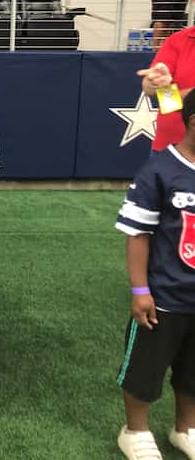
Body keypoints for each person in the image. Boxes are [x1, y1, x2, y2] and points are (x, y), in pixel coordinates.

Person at [114, 89, 195, 460]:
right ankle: (136, 430)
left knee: (192, 372)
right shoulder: (160, 171)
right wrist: (140, 289)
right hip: (164, 296)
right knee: (146, 370)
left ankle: (186, 428)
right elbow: (138, 234)